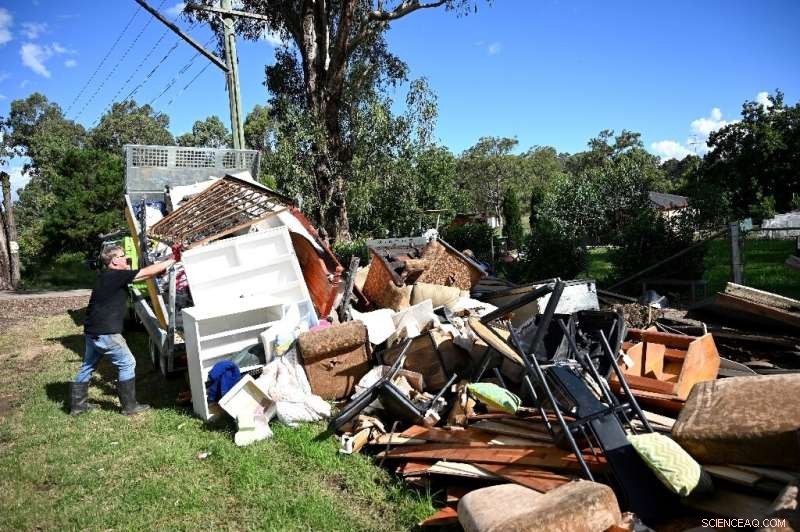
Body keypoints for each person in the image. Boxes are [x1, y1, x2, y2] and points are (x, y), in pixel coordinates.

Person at [70, 244, 176, 416]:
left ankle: (78, 406)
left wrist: (161, 265)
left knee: (88, 366)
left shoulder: (106, 277)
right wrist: (173, 260)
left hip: (92, 332)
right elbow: (146, 273)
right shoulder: (117, 276)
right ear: (114, 261)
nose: (127, 258)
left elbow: (140, 277)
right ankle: (129, 406)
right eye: (123, 255)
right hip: (106, 333)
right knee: (128, 363)